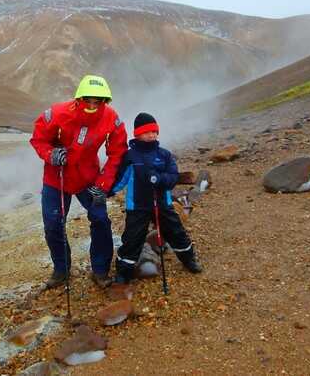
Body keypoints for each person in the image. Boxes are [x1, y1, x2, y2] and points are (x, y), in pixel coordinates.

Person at [30, 75, 128, 289]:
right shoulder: (57, 113)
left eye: (98, 101)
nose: (93, 105)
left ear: (105, 102)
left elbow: (118, 152)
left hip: (89, 179)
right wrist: (51, 153)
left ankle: (100, 270)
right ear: (79, 98)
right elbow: (38, 139)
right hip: (57, 178)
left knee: (101, 221)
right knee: (53, 225)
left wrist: (103, 184)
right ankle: (61, 270)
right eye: (88, 100)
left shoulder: (111, 118)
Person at [110, 112, 203, 284]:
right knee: (132, 239)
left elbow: (173, 177)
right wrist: (107, 191)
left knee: (176, 232)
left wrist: (159, 179)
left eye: (154, 131)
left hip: (162, 203)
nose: (151, 135)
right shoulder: (130, 156)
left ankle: (189, 259)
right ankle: (123, 272)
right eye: (146, 132)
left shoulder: (164, 155)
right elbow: (121, 179)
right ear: (137, 134)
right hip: (136, 206)